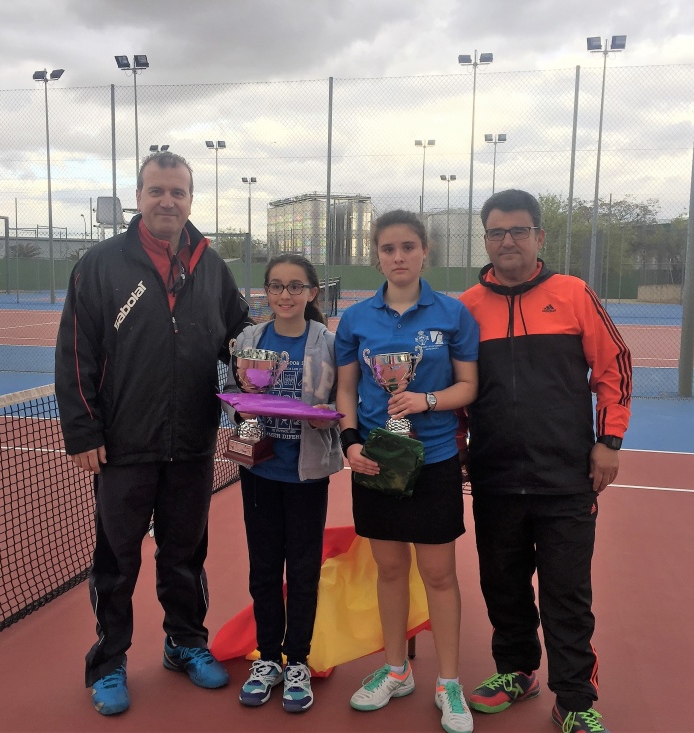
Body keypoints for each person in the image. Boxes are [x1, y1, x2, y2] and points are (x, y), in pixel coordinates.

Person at [54, 150, 253, 716]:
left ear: (191, 199)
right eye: (157, 191)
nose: (168, 201)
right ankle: (110, 660)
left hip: (191, 442)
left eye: (179, 192)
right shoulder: (98, 266)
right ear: (137, 198)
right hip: (121, 444)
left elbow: (241, 340)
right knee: (117, 562)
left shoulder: (211, 266)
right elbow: (76, 354)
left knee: (185, 553)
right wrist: (84, 431)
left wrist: (301, 342)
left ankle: (185, 642)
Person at [458, 189, 632, 733]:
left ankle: (576, 697)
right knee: (502, 583)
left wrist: (610, 441)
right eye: (495, 232)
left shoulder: (574, 293)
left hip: (566, 477)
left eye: (517, 231)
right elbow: (454, 385)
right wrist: (460, 447)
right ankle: (516, 671)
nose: (506, 241)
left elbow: (614, 368)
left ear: (539, 236)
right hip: (495, 477)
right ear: (484, 239)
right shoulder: (466, 307)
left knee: (566, 591)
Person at [334, 209, 480, 733]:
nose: (398, 257)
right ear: (376, 255)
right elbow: (346, 389)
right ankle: (397, 670)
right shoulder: (355, 319)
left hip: (435, 460)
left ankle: (448, 683)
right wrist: (349, 443)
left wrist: (427, 400)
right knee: (390, 569)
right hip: (374, 462)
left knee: (439, 574)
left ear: (424, 252)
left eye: (407, 247)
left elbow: (469, 386)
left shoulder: (452, 313)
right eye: (388, 249)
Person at [220, 253, 344, 713]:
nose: (285, 295)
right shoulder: (250, 338)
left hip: (306, 473)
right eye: (276, 286)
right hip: (259, 471)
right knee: (265, 566)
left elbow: (340, 398)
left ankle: (298, 659)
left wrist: (325, 420)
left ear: (313, 292)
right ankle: (268, 657)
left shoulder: (327, 341)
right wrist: (242, 410)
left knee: (304, 569)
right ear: (266, 292)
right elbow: (233, 393)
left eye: (295, 287)